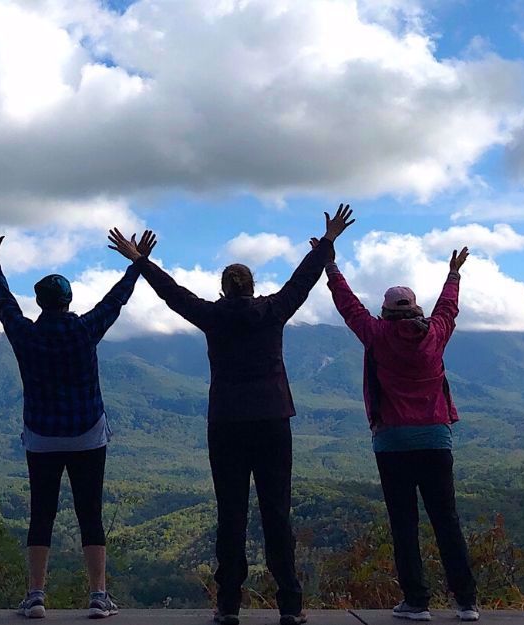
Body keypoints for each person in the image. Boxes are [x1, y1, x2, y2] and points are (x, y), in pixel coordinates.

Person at [112, 205, 356, 625]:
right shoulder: (273, 311)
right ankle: (291, 605)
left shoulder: (212, 316)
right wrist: (328, 241)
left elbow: (173, 294)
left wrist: (141, 261)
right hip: (273, 420)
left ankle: (228, 604)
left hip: (225, 423)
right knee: (277, 512)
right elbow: (301, 282)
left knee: (231, 514)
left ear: (224, 290)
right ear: (251, 287)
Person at [0, 224, 153, 619]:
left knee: (42, 513)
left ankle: (36, 596)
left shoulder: (25, 334)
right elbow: (116, 301)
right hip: (88, 434)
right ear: (69, 300)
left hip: (41, 436)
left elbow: (3, 302)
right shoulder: (84, 330)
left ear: (39, 303)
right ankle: (98, 596)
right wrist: (137, 263)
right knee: (89, 513)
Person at [317, 239, 480, 622]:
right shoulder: (435, 334)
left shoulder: (375, 335)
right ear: (416, 308)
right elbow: (448, 308)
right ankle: (466, 602)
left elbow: (348, 306)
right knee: (447, 520)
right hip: (436, 438)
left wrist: (331, 266)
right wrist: (453, 274)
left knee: (404, 523)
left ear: (385, 312)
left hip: (392, 442)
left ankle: (417, 602)